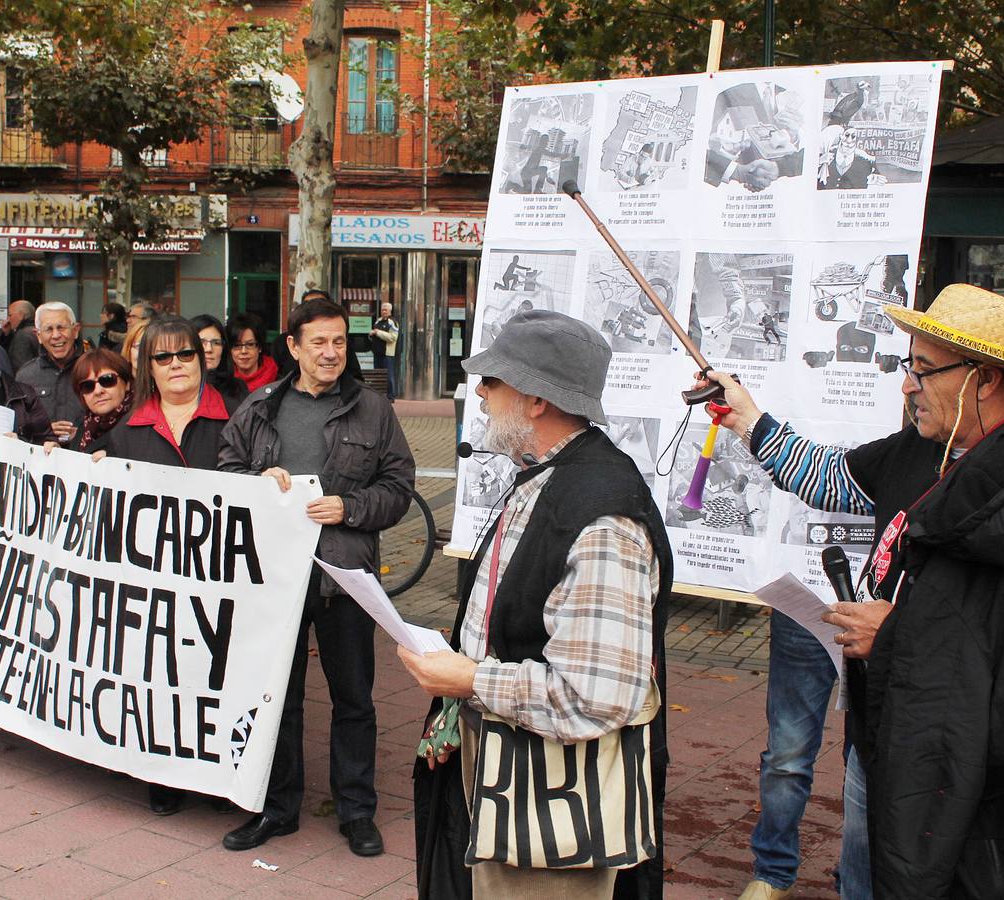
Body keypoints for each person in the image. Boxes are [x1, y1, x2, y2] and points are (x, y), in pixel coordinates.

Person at [699, 284, 1004, 898]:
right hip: (890, 733)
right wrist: (747, 419)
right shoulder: (924, 450)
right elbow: (829, 476)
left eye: (922, 370)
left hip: (967, 772)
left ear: (985, 378)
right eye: (905, 367)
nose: (906, 385)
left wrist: (892, 636)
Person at [402, 309, 673, 898]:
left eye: (493, 381)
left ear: (535, 400)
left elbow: (595, 697)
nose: (480, 392)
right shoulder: (545, 474)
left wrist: (470, 678)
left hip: (551, 813)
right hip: (503, 782)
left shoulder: (603, 519)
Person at [217, 298, 414, 857]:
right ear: (294, 348)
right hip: (275, 580)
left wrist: (348, 507)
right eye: (319, 342)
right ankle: (278, 810)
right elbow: (227, 471)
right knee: (278, 697)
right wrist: (259, 479)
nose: (331, 353)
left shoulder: (373, 410)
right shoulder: (260, 406)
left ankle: (356, 813)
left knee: (354, 698)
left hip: (345, 577)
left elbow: (399, 489)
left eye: (339, 341)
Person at [100, 316, 231, 816]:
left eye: (185, 355)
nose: (175, 365)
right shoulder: (125, 431)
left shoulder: (237, 418)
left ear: (201, 360)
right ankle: (163, 776)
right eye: (163, 357)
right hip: (153, 583)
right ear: (147, 366)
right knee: (162, 674)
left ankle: (218, 777)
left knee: (215, 677)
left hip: (219, 579)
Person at [16, 301, 86, 444]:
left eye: (61, 327)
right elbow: (19, 427)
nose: (56, 335)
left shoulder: (94, 369)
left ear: (75, 330)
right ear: (38, 336)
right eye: (48, 329)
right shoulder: (26, 376)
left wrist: (82, 434)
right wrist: (44, 431)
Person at [64, 348, 133, 453]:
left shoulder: (142, 426)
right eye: (87, 386)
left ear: (127, 383)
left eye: (107, 380)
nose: (98, 391)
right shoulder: (84, 426)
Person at [191, 313, 248, 408]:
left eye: (216, 343)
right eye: (201, 342)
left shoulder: (238, 388)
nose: (209, 349)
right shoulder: (180, 387)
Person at [227, 312, 279, 393]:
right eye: (237, 345)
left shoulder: (279, 383)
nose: (243, 351)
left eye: (250, 344)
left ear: (260, 347)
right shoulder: (223, 383)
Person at [369, 301, 399, 399]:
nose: (384, 311)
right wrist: (371, 334)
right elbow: (374, 333)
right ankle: (379, 395)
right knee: (377, 375)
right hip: (377, 352)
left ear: (390, 311)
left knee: (388, 375)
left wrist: (378, 332)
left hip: (387, 354)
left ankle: (391, 396)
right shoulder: (378, 321)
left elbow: (393, 337)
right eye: (382, 310)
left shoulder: (392, 322)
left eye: (386, 310)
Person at [3, 300, 40, 372]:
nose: (8, 320)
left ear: (21, 315)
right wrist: (7, 335)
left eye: (10, 315)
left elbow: (19, 366)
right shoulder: (36, 330)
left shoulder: (22, 336)